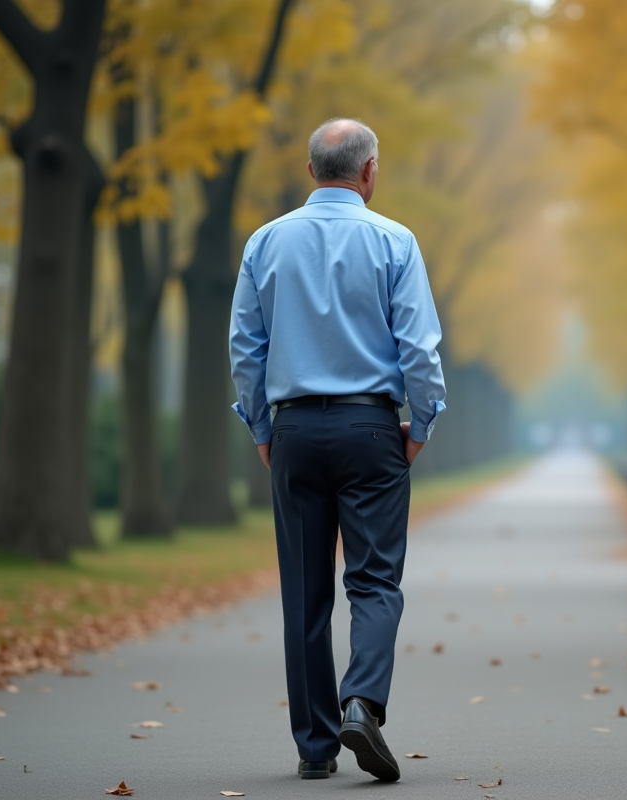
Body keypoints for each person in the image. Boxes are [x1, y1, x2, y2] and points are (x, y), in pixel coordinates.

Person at [229, 118, 447, 783]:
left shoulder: (265, 242)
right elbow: (420, 351)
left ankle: (315, 746)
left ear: (310, 172)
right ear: (369, 172)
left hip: (294, 430)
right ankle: (362, 703)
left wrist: (262, 429)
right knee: (375, 580)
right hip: (371, 428)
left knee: (304, 591)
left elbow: (246, 350)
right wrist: (421, 424)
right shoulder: (395, 241)